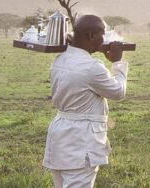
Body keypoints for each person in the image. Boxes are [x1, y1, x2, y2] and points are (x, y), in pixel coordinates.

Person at [42, 15, 127, 188]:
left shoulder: (60, 59)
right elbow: (118, 92)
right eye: (102, 34)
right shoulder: (91, 67)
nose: (104, 39)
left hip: (60, 133)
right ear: (91, 36)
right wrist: (117, 62)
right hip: (82, 140)